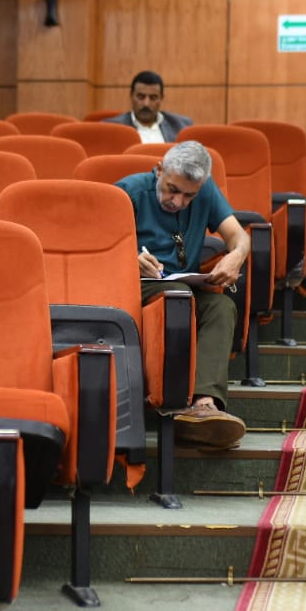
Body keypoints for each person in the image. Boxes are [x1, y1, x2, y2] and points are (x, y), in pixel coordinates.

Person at [117, 140, 250, 449]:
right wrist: (129, 257)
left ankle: (203, 406)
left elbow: (239, 236)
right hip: (133, 285)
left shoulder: (205, 191)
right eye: (172, 190)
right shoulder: (129, 192)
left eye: (189, 196)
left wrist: (236, 255)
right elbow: (95, 244)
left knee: (220, 306)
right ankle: (174, 402)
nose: (178, 201)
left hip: (181, 287)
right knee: (178, 295)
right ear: (159, 170)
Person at [103, 70, 193, 143]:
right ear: (131, 96)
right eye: (141, 97)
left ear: (161, 98)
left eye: (153, 98)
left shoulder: (181, 126)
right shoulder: (112, 128)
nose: (146, 104)